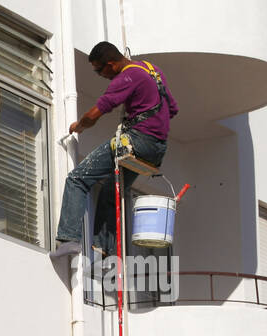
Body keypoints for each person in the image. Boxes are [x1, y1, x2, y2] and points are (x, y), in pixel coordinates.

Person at [52, 41, 178, 259]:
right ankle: (105, 251)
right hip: (156, 150)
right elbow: (173, 109)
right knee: (112, 190)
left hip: (136, 142)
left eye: (99, 70)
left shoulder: (127, 77)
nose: (100, 75)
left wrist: (78, 126)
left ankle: (68, 239)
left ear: (110, 64)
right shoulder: (152, 70)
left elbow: (95, 114)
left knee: (77, 179)